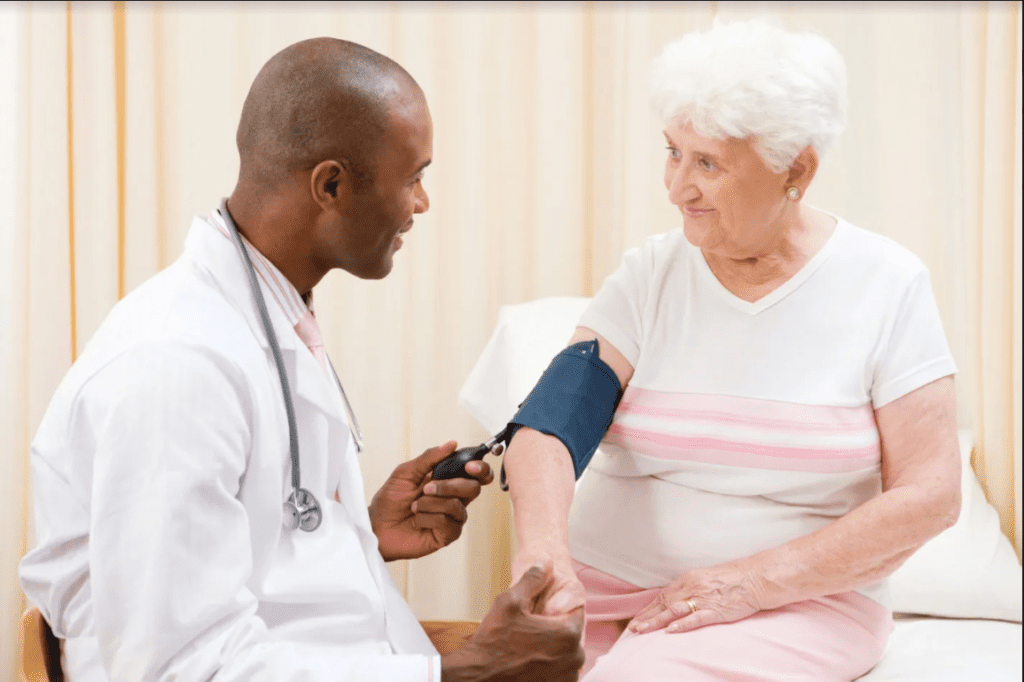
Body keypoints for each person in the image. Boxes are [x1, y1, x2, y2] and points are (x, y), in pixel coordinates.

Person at [19, 38, 584, 682]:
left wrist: (356, 535)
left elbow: (242, 561)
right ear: (332, 185)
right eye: (414, 177)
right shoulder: (174, 368)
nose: (421, 203)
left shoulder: (268, 309)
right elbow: (179, 668)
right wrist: (466, 674)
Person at [499, 19, 961, 681]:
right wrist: (546, 563)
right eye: (672, 151)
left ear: (795, 168)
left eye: (707, 163)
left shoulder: (886, 284)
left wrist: (748, 583)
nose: (676, 187)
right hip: (601, 588)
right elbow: (550, 425)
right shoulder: (651, 274)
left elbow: (931, 494)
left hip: (793, 602)